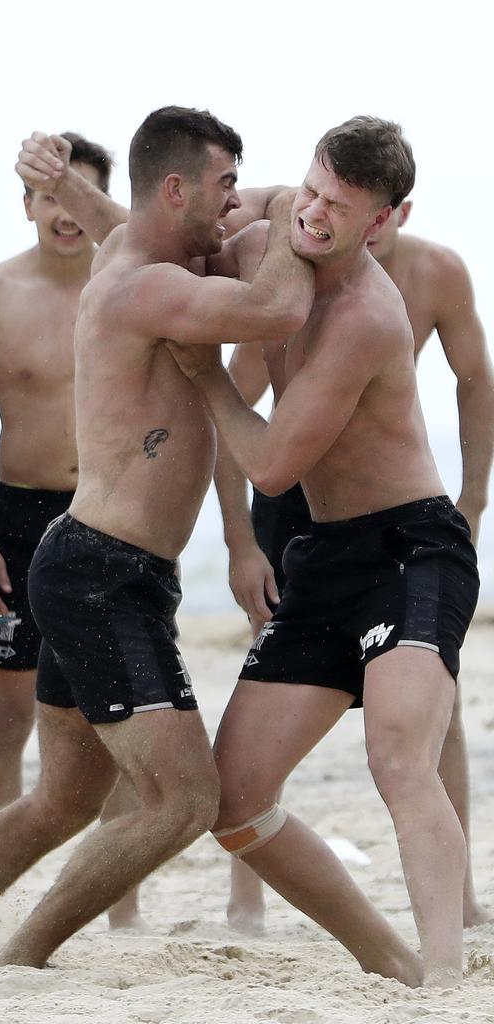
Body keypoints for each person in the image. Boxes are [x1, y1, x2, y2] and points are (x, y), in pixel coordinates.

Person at [0, 106, 338, 971]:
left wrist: (262, 202)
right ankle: (23, 958)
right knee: (184, 801)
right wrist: (300, 203)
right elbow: (280, 308)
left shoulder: (136, 254)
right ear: (175, 189)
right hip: (104, 574)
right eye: (222, 188)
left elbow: (140, 220)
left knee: (64, 799)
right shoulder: (147, 284)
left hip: (97, 564)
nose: (233, 206)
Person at [168, 116, 479, 987]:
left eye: (338, 208)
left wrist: (205, 374)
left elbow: (269, 465)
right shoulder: (272, 235)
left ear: (385, 219)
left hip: (413, 549)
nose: (312, 215)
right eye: (309, 190)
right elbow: (162, 237)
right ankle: (385, 956)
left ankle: (449, 983)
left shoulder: (368, 317)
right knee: (233, 799)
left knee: (398, 757)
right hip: (326, 558)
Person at [217, 197, 494, 934]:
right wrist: (239, 541)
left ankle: (455, 918)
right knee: (243, 761)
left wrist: (473, 495)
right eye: (321, 195)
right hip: (300, 512)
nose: (331, 215)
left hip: (402, 522)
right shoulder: (287, 259)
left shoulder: (430, 275)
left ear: (393, 210)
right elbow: (234, 405)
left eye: (357, 207)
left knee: (421, 727)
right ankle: (245, 904)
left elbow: (474, 379)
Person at [0, 132, 144, 929]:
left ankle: (121, 904)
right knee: (5, 718)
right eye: (50, 195)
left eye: (80, 194)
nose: (66, 212)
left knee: (125, 725)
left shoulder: (136, 287)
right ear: (27, 203)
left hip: (112, 516)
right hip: (20, 521)